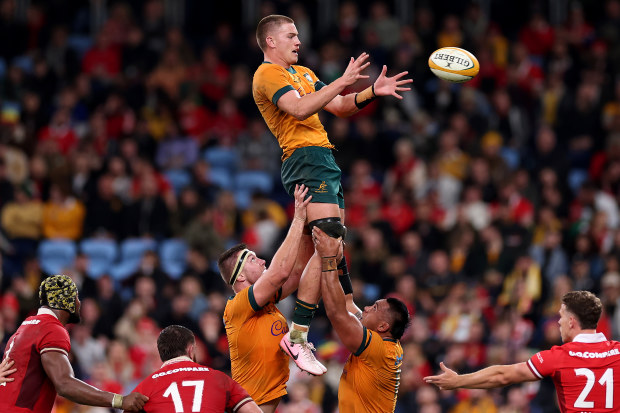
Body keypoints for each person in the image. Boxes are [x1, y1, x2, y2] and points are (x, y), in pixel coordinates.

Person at [252, 14, 412, 371]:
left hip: (323, 157)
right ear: (271, 42)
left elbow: (338, 106)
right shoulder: (267, 75)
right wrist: (342, 79)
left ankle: (337, 303)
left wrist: (371, 91)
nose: (298, 41)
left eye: (298, 35)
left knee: (324, 248)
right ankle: (297, 336)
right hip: (304, 159)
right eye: (291, 35)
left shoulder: (305, 74)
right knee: (330, 241)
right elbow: (298, 107)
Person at [424, 290, 620, 412]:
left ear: (571, 321)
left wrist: (459, 381)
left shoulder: (558, 357)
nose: (558, 321)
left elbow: (503, 375)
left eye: (560, 316)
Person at [219, 184, 320, 413]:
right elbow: (281, 272)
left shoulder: (266, 301)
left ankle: (297, 337)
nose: (263, 261)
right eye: (253, 259)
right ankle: (297, 336)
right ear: (240, 275)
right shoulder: (238, 305)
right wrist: (297, 217)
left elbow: (295, 274)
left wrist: (306, 228)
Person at [0, 274, 148, 412]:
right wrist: (120, 400)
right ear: (67, 300)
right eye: (76, 297)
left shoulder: (25, 327)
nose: (79, 302)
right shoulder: (51, 328)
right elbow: (64, 384)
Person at [312, 226, 411, 413]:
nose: (365, 308)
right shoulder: (384, 341)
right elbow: (348, 302)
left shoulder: (379, 350)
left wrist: (327, 260)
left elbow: (336, 312)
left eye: (374, 308)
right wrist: (340, 259)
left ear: (383, 325)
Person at [131, 325, 261, 413]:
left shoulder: (145, 387)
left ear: (161, 353)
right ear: (191, 350)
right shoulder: (220, 378)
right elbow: (252, 411)